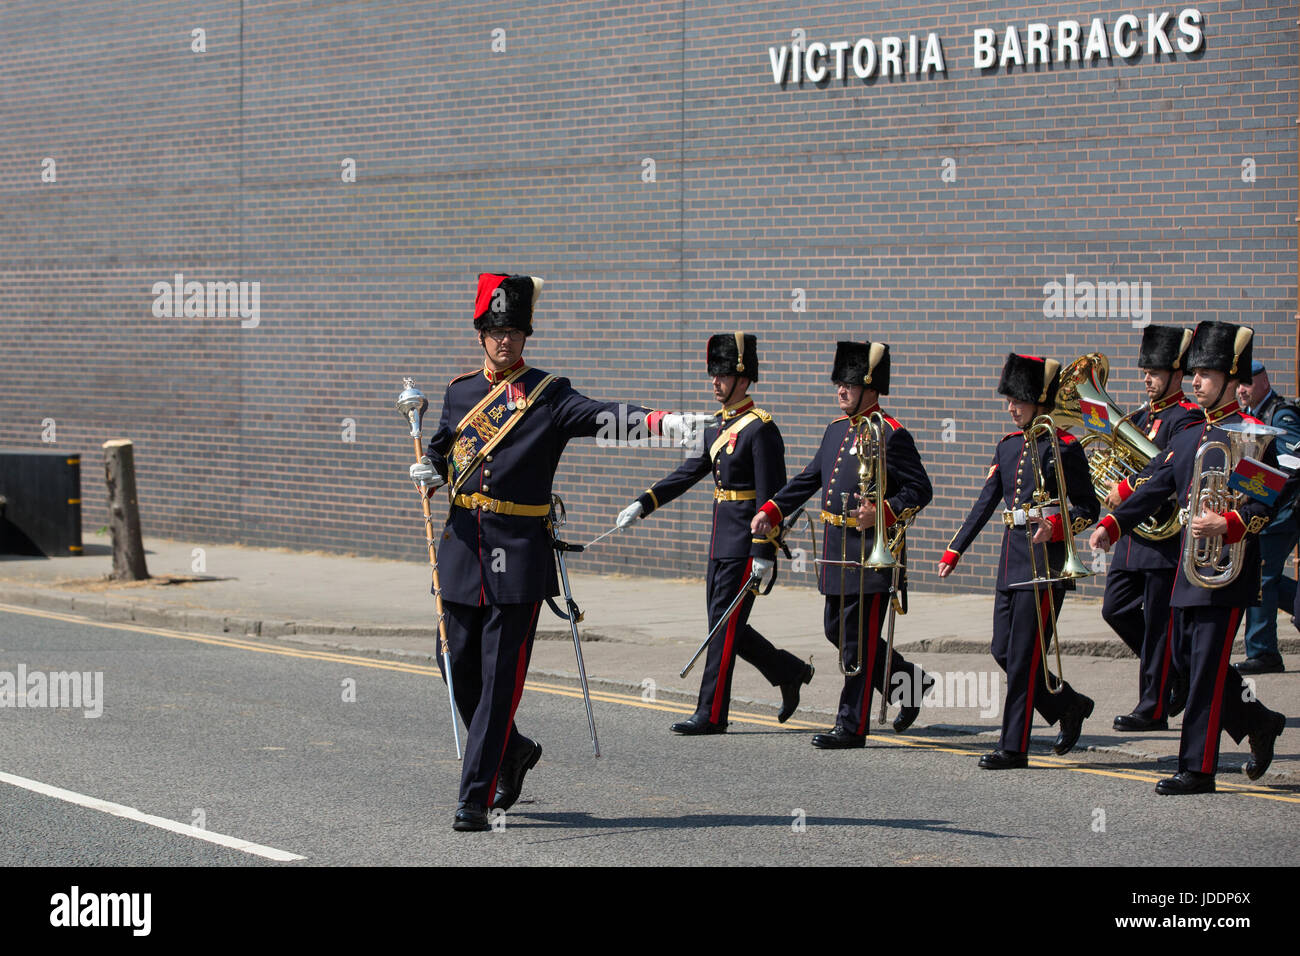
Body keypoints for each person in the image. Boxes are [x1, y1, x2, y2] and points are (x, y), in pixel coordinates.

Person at [409, 272, 698, 831]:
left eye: (515, 330)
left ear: (526, 336)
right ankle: (513, 751)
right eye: (496, 331)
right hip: (463, 551)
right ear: (479, 335)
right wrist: (430, 471)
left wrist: (671, 424)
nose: (506, 340)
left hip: (518, 559)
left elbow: (606, 416)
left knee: (498, 682)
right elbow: (446, 453)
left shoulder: (548, 394)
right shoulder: (460, 391)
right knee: (452, 664)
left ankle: (475, 793)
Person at [1090, 321, 1288, 794]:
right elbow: (1151, 486)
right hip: (1187, 569)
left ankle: (1197, 769)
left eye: (1204, 373)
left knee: (1202, 670)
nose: (1194, 380)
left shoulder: (1252, 433)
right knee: (1188, 661)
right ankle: (1260, 722)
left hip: (1228, 572)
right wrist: (1111, 524)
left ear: (1228, 378)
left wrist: (1232, 523)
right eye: (1193, 372)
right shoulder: (1188, 436)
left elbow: (1272, 498)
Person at [616, 333, 813, 734]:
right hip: (719, 541)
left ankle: (711, 713)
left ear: (743, 379)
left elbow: (772, 496)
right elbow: (689, 473)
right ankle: (788, 671)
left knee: (723, 628)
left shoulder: (761, 429)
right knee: (725, 625)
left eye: (722, 374)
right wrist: (645, 502)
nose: (714, 381)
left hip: (745, 543)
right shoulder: (716, 426)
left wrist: (764, 551)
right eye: (713, 373)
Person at [751, 341, 933, 749]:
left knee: (857, 641)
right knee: (837, 630)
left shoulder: (892, 434)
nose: (841, 390)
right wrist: (772, 510)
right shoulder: (836, 430)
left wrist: (884, 511)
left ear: (872, 388)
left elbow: (921, 490)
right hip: (836, 551)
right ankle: (910, 683)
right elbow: (808, 478)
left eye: (848, 383)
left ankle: (851, 725)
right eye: (839, 383)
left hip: (871, 554)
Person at [937, 354, 1098, 769]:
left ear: (1040, 399)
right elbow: (986, 501)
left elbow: (1088, 507)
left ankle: (1014, 746)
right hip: (1012, 561)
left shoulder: (1065, 446)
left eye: (1020, 400)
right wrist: (956, 548)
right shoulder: (1008, 446)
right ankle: (1069, 704)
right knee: (1003, 650)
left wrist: (1059, 526)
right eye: (1010, 399)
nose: (1012, 407)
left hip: (1046, 563)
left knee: (1024, 658)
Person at [1099, 326, 1202, 731]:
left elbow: (1165, 468)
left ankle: (1152, 707)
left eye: (1156, 371)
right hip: (1132, 537)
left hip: (1164, 539)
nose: (1147, 377)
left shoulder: (1187, 418)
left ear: (1178, 374)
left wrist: (1126, 488)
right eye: (1145, 369)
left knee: (1160, 625)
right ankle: (1172, 672)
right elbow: (1120, 460)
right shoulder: (1138, 418)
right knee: (1115, 609)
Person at [1234, 360, 1300, 673]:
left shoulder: (1281, 414)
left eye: (1247, 383)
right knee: (1267, 575)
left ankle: (1263, 652)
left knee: (1261, 574)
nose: (1241, 390)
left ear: (1264, 381)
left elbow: (1290, 467)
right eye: (1238, 384)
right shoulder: (1255, 415)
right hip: (1271, 508)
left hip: (1284, 511)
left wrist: (1261, 497)